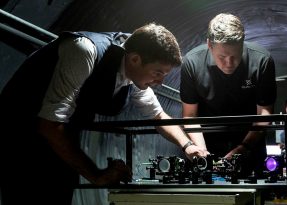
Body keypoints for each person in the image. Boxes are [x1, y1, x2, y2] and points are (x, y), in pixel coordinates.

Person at [0, 23, 206, 205]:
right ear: (135, 59)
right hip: (19, 136)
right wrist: (96, 174)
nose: (160, 81)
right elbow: (48, 124)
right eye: (158, 73)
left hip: (58, 140)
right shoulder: (84, 50)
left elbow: (159, 116)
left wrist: (187, 146)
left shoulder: (134, 74)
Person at [180, 13, 276, 177]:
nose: (229, 63)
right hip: (206, 142)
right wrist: (202, 151)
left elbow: (265, 113)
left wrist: (244, 148)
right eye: (222, 57)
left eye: (234, 56)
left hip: (250, 142)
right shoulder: (192, 62)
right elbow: (189, 115)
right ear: (209, 45)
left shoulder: (262, 61)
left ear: (242, 44)